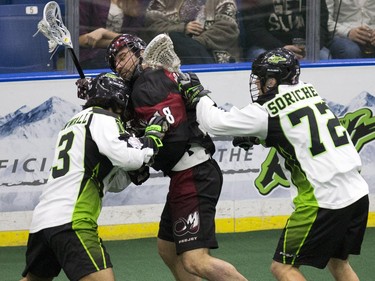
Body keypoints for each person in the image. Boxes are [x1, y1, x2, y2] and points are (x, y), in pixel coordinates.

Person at [179, 48, 369, 281]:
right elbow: (296, 128)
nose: (257, 84)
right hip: (358, 192)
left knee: (283, 268)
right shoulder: (309, 91)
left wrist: (198, 94)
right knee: (339, 264)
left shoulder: (265, 111)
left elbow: (214, 122)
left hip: (324, 200)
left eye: (260, 79)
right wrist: (259, 135)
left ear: (271, 80)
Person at [105, 33, 248, 281]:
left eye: (122, 56)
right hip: (188, 173)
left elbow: (174, 137)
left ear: (139, 52)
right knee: (168, 248)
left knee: (196, 261)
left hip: (193, 173)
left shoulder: (148, 82)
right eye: (114, 63)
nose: (118, 65)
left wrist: (147, 159)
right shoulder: (146, 84)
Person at [20, 72, 168, 281]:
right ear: (119, 99)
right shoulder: (103, 118)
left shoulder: (73, 122)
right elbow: (130, 158)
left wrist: (129, 175)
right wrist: (152, 140)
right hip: (71, 219)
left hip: (43, 220)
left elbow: (110, 180)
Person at [143, 0, 240, 64]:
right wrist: (182, 28)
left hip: (214, 60)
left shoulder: (223, 2)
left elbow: (227, 30)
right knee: (174, 36)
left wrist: (192, 44)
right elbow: (153, 27)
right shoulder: (161, 2)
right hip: (169, 58)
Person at [239, 0, 331, 60]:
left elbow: (321, 25)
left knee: (324, 56)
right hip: (267, 46)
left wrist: (311, 47)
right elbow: (253, 29)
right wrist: (280, 48)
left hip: (304, 47)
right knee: (264, 58)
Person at [79, 0, 148, 69]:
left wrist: (104, 32)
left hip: (124, 54)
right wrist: (121, 41)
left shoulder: (136, 2)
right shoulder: (88, 2)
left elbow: (133, 40)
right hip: (92, 56)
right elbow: (81, 39)